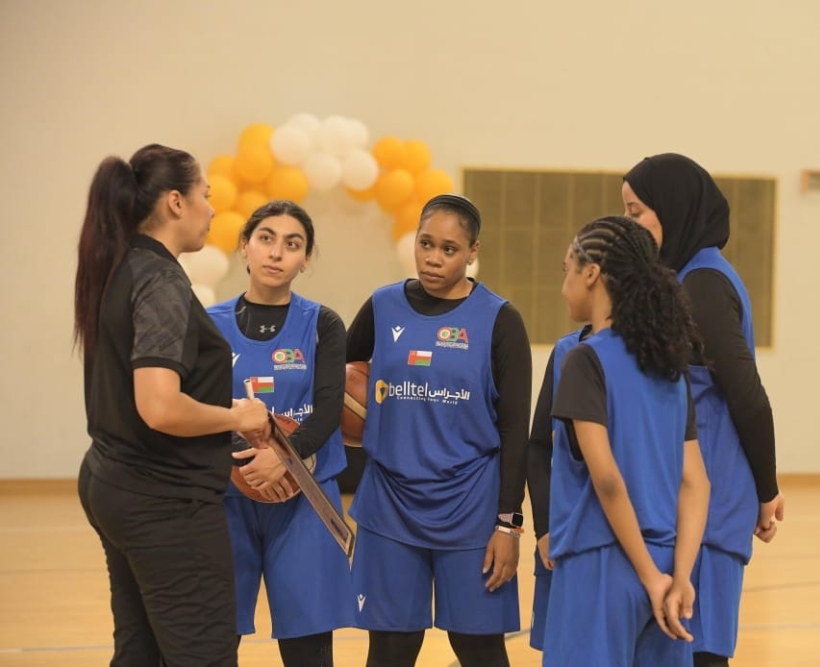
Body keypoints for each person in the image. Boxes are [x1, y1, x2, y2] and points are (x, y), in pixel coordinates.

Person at [73, 143, 270, 666]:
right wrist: (237, 416)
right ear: (176, 203)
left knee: (141, 652)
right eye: (205, 196)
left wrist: (211, 403)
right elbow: (159, 407)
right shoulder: (159, 278)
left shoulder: (122, 264)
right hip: (161, 498)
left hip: (114, 481)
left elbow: (149, 389)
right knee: (203, 654)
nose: (211, 208)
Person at [345, 194, 532, 667]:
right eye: (426, 243)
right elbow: (339, 384)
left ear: (472, 252)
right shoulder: (382, 306)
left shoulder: (500, 320)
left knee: (478, 647)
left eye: (449, 248)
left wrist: (508, 525)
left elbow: (515, 431)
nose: (433, 257)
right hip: (389, 505)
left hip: (471, 507)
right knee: (390, 648)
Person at [622, 153, 785, 667]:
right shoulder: (685, 277)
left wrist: (766, 490)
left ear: (674, 210)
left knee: (701, 656)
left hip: (710, 508)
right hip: (689, 500)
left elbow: (747, 394)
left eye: (637, 212)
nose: (629, 226)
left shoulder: (704, 283)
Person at [542, 215, 711, 667]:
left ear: (591, 274)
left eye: (567, 271)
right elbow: (696, 483)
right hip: (668, 563)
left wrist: (646, 575)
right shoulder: (668, 365)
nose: (564, 286)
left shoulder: (584, 360)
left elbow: (608, 479)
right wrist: (678, 576)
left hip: (604, 563)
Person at [206, 200, 355, 667]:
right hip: (227, 496)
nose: (277, 253)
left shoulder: (323, 324)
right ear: (245, 247)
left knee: (308, 647)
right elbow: (202, 409)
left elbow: (330, 406)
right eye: (266, 238)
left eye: (293, 244)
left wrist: (285, 459)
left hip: (305, 499)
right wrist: (248, 462)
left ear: (305, 259)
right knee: (213, 640)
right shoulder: (209, 325)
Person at [525, 324, 589, 651]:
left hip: (617, 546)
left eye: (569, 273)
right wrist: (544, 529)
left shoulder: (651, 356)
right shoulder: (565, 350)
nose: (564, 288)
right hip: (563, 538)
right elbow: (537, 447)